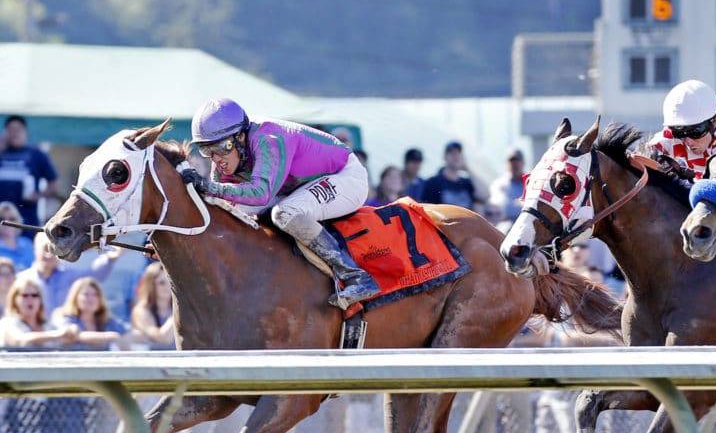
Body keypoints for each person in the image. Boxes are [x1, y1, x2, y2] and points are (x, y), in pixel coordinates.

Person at [181, 98, 379, 309]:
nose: (216, 158)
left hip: (345, 177)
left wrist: (207, 186)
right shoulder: (226, 157)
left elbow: (260, 194)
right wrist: (181, 239)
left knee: (284, 213)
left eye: (222, 147)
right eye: (206, 150)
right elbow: (217, 209)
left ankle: (355, 276)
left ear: (240, 136)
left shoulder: (269, 138)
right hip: (299, 187)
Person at [51, 277, 130, 433]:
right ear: (75, 297)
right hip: (70, 392)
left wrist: (114, 337)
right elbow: (74, 335)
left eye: (94, 294)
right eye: (85, 294)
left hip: (100, 394)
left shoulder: (108, 321)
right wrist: (111, 337)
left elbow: (129, 337)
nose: (89, 298)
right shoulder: (64, 316)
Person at [0, 273, 76, 433]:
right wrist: (59, 334)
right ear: (15, 299)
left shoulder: (48, 325)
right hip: (12, 400)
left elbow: (69, 336)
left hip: (43, 403)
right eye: (25, 295)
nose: (30, 300)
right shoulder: (8, 323)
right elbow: (21, 339)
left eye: (35, 295)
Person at [21, 232, 121, 317]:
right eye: (46, 249)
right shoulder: (22, 280)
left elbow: (94, 276)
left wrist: (110, 259)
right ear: (35, 250)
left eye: (54, 250)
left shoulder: (69, 276)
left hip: (65, 332)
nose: (49, 255)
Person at [0, 116, 59, 228]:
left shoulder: (36, 154)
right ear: (5, 133)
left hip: (27, 221)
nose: (14, 133)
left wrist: (37, 196)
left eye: (18, 130)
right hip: (1, 221)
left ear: (25, 132)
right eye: (11, 130)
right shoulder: (1, 152)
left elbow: (54, 184)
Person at [421, 141, 485, 211]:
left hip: (465, 220)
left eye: (458, 153)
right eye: (452, 153)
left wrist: (468, 169)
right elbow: (427, 208)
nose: (455, 156)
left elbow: (484, 195)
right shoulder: (433, 182)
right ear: (444, 156)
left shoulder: (466, 183)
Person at [131, 262, 175, 347]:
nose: (168, 286)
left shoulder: (173, 308)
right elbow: (163, 339)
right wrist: (177, 314)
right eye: (162, 283)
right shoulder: (141, 311)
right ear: (150, 285)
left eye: (171, 282)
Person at [488, 149, 526, 224]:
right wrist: (522, 204)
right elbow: (503, 208)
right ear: (506, 164)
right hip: (507, 224)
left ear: (523, 163)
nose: (514, 164)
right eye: (511, 162)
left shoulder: (531, 182)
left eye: (517, 161)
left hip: (527, 223)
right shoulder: (499, 184)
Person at [0, 203, 33, 271]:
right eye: (1, 219)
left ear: (18, 221)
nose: (7, 222)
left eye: (12, 219)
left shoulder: (27, 244)